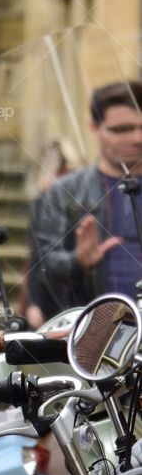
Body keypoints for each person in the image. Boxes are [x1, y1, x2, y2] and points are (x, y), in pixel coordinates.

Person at [30, 80, 142, 309]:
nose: (137, 138)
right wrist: (79, 261)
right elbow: (45, 264)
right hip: (98, 328)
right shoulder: (65, 192)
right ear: (94, 128)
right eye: (121, 129)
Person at [23, 139, 82, 328]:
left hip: (78, 291)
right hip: (50, 293)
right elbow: (36, 256)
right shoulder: (44, 203)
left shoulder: (82, 203)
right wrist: (33, 302)